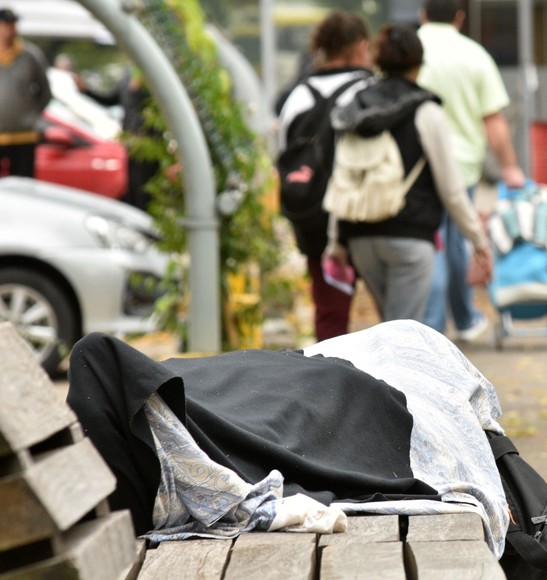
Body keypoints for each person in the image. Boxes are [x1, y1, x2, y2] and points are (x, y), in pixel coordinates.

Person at [66, 319, 508, 554]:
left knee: (308, 384)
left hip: (187, 412)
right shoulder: (104, 374)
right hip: (165, 441)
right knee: (316, 393)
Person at [326, 23, 491, 325]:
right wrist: (478, 241)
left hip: (361, 237)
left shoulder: (355, 109)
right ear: (417, 65)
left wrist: (335, 241)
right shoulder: (426, 111)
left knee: (390, 325)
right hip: (410, 236)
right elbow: (452, 190)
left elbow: (344, 178)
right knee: (402, 332)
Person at [417, 0, 525, 341]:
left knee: (432, 244)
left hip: (417, 168)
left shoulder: (411, 51)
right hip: (461, 167)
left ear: (423, 15)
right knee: (456, 243)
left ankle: (433, 328)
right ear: (460, 17)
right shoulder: (475, 55)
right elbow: (493, 122)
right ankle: (462, 320)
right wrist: (510, 167)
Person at [276, 10, 372, 342]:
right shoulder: (368, 90)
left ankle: (328, 382)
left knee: (329, 312)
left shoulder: (297, 96)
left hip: (312, 214)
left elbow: (283, 152)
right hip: (363, 213)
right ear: (361, 47)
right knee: (392, 313)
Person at [0, 7, 51, 178]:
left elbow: (45, 91)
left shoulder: (29, 55)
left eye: (13, 24)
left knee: (23, 186)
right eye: (6, 24)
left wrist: (31, 114)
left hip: (24, 134)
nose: (10, 28)